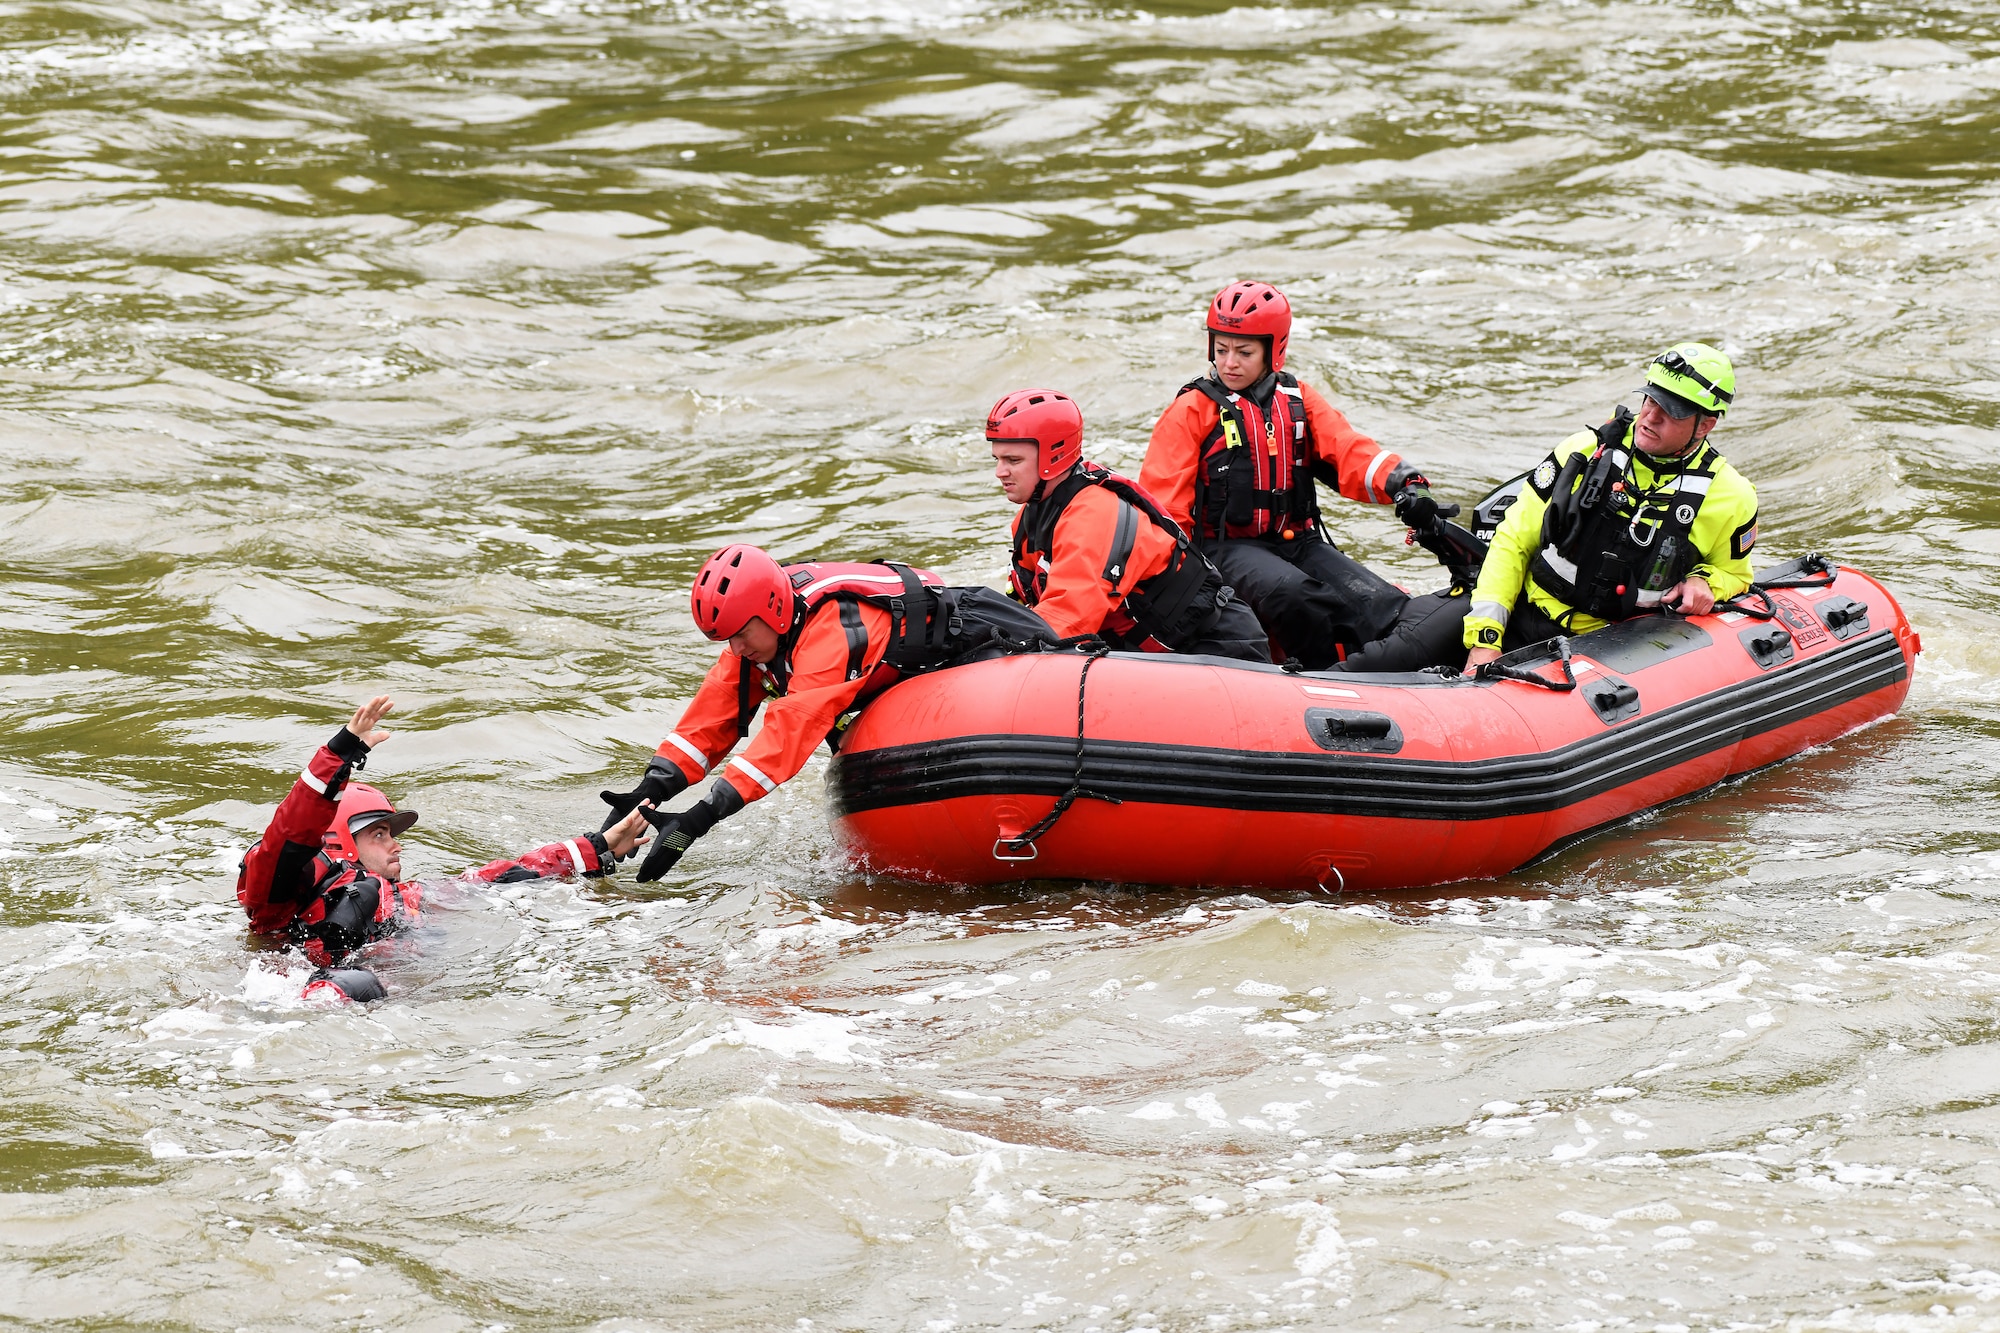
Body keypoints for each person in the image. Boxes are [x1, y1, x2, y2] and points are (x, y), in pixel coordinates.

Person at [600, 546, 1054, 881]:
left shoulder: (830, 632)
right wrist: (648, 792)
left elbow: (788, 735)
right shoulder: (756, 638)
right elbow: (704, 725)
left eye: (739, 635)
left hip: (986, 637)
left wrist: (698, 819)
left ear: (772, 611)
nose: (734, 649)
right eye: (724, 640)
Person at [237, 696, 655, 1001]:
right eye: (378, 834)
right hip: (297, 993)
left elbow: (500, 877)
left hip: (390, 1002)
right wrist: (340, 754)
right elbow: (290, 830)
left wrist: (598, 847)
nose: (395, 844)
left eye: (391, 833)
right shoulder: (287, 889)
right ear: (339, 840)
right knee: (354, 983)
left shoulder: (411, 897)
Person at [1140, 280, 1442, 669]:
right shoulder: (1191, 410)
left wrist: (1406, 484)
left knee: (1381, 603)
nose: (1229, 362)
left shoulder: (1298, 398)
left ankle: (1392, 669)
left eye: (1244, 352)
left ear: (1274, 350)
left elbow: (1349, 452)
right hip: (1223, 549)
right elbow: (1163, 508)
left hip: (1297, 541)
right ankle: (1324, 679)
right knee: (1296, 596)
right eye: (1221, 349)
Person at [1462, 342, 1759, 668]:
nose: (1651, 415)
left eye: (1672, 410)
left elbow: (1735, 573)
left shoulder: (1732, 496)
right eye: (1650, 398)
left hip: (1612, 648)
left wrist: (1707, 582)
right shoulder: (1584, 451)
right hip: (1527, 612)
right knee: (1405, 649)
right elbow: (1513, 541)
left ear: (1705, 425)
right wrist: (1484, 639)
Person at [988, 387, 1268, 662]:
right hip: (1150, 655)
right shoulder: (1031, 517)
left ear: (1054, 456)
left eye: (1013, 460)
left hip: (1219, 647)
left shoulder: (1092, 515)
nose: (1000, 472)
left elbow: (1067, 622)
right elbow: (1024, 603)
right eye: (997, 459)